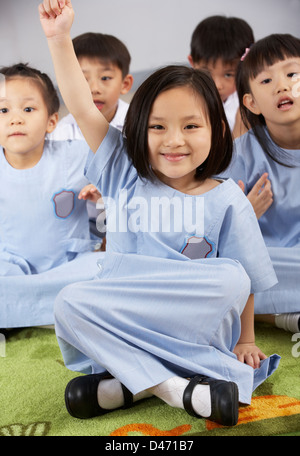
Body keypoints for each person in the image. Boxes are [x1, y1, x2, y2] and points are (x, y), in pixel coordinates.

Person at [39, 0, 279, 427]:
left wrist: (246, 338)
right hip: (132, 312)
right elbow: (81, 105)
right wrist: (59, 39)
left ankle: (130, 383)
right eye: (157, 127)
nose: (174, 141)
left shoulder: (227, 199)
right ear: (136, 130)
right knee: (69, 301)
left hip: (194, 323)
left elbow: (248, 279)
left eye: (191, 126)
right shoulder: (122, 171)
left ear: (216, 130)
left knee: (233, 277)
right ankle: (178, 388)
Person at [0, 63, 104, 330]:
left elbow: (121, 184)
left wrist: (102, 200)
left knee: (104, 268)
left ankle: (22, 313)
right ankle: (50, 310)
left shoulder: (76, 155)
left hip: (67, 268)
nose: (15, 119)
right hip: (11, 270)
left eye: (28, 109)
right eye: (3, 110)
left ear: (51, 121)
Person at [219, 33, 300, 334]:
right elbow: (217, 234)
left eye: (292, 74)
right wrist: (245, 215)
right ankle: (283, 317)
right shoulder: (240, 154)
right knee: (229, 271)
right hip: (267, 259)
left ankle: (277, 315)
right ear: (251, 103)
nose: (282, 85)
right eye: (266, 81)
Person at [48, 32, 133, 244]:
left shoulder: (138, 122)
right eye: (82, 79)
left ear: (125, 83)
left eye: (105, 78)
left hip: (131, 217)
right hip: (82, 224)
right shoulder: (61, 132)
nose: (93, 88)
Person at [188, 15, 254, 138]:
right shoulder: (185, 99)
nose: (217, 85)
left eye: (228, 74)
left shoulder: (249, 102)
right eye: (207, 73)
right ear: (192, 62)